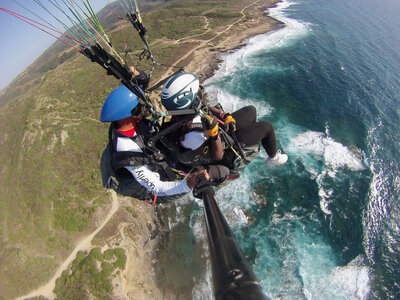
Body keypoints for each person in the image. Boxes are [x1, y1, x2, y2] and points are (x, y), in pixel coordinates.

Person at [99, 83, 209, 202]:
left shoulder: (131, 124)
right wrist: (189, 184)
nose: (142, 106)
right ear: (132, 112)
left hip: (161, 158)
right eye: (138, 106)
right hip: (162, 188)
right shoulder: (128, 154)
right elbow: (158, 187)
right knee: (211, 174)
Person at [160, 72, 288, 170]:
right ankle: (273, 158)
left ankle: (250, 139)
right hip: (224, 151)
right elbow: (217, 156)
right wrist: (214, 136)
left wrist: (224, 115)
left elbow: (205, 107)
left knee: (251, 110)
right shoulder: (191, 135)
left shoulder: (187, 111)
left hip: (222, 135)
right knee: (267, 127)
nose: (201, 92)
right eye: (198, 92)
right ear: (192, 102)